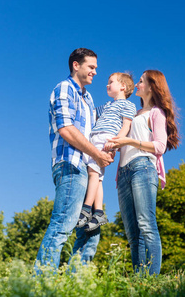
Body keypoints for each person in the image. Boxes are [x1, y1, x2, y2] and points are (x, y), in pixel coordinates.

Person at [35, 48, 113, 273]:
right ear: (76, 65)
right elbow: (66, 128)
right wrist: (97, 154)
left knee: (90, 231)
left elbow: (101, 127)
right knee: (62, 225)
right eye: (91, 67)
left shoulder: (88, 99)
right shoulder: (64, 88)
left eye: (96, 68)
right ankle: (40, 283)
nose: (95, 72)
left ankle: (73, 284)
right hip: (70, 165)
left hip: (89, 170)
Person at [108, 70, 180, 276]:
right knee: (132, 234)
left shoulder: (156, 112)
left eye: (141, 81)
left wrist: (129, 141)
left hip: (143, 168)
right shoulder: (132, 113)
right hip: (123, 173)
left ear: (151, 86)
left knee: (147, 226)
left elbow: (159, 146)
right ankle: (139, 281)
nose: (137, 84)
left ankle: (151, 281)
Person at [76, 73, 136, 232]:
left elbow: (126, 126)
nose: (107, 85)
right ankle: (99, 212)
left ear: (123, 86)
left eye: (111, 82)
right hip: (95, 138)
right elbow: (90, 113)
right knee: (97, 177)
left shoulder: (128, 105)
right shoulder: (107, 105)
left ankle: (86, 209)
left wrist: (115, 143)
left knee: (93, 174)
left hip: (106, 139)